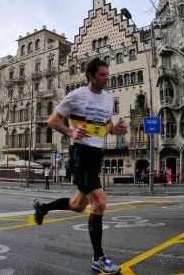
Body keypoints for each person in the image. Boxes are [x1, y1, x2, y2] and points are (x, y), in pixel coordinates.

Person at [33, 57, 127, 274]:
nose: (107, 78)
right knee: (100, 202)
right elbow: (53, 121)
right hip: (80, 153)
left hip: (97, 154)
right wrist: (70, 132)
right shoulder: (77, 96)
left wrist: (115, 130)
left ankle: (43, 208)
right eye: (102, 74)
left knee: (77, 205)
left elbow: (107, 125)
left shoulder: (108, 99)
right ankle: (98, 258)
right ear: (91, 76)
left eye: (107, 74)